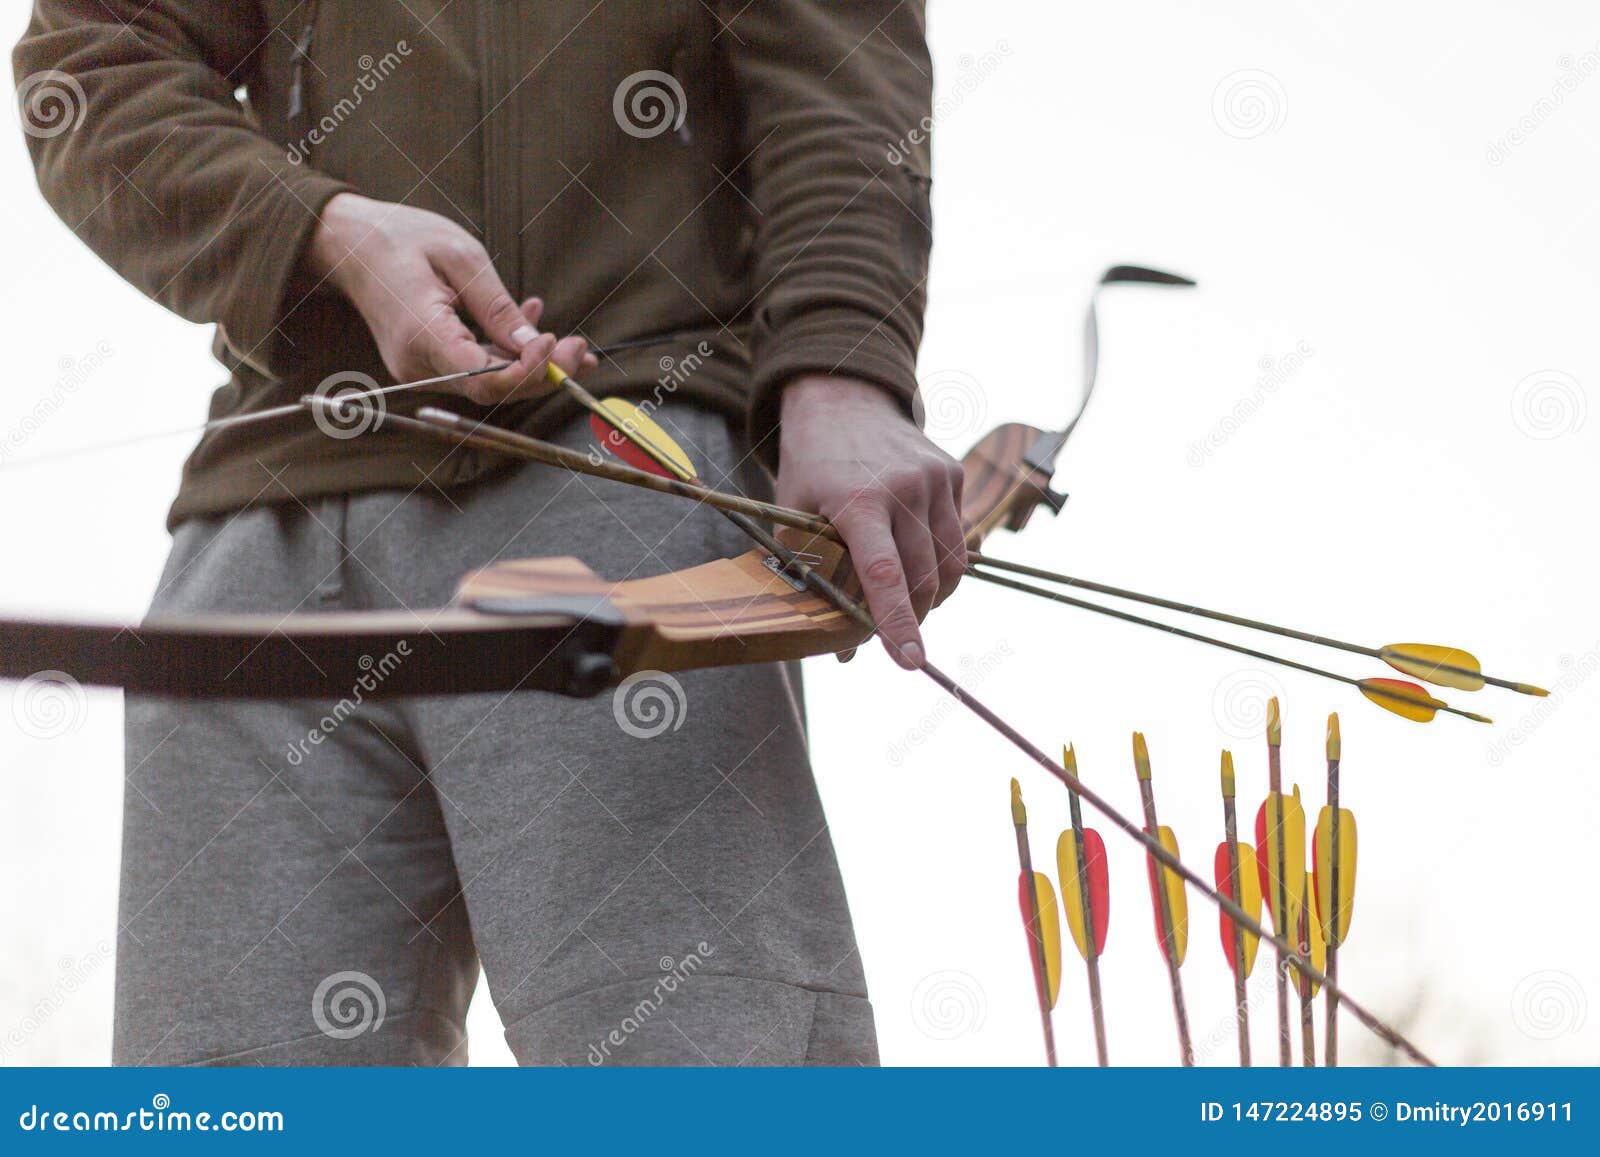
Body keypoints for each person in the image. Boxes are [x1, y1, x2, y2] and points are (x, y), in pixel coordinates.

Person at [14, 0, 966, 1065]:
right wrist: (324, 227)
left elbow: (838, 73)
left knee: (701, 1070)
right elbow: (93, 56)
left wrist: (843, 368)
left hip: (627, 497)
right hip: (266, 522)